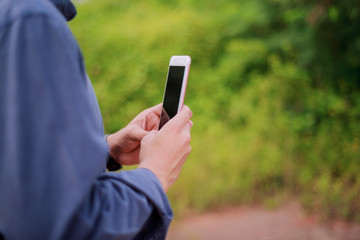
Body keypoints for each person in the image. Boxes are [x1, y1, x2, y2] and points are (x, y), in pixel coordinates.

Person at [0, 0, 193, 239]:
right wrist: (155, 174)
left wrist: (107, 150)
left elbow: (19, 167)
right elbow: (58, 226)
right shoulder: (31, 19)